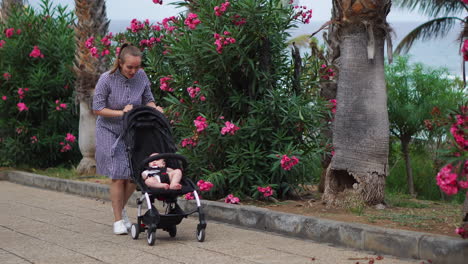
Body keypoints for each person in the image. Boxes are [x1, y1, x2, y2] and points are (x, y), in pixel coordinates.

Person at [93, 43, 164, 235]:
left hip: (133, 130)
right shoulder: (106, 79)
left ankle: (120, 209)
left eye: (137, 67)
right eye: (129, 67)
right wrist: (120, 112)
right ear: (120, 63)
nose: (133, 71)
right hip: (109, 129)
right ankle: (118, 220)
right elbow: (97, 108)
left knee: (134, 176)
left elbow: (148, 99)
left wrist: (153, 108)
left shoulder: (141, 76)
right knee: (118, 174)